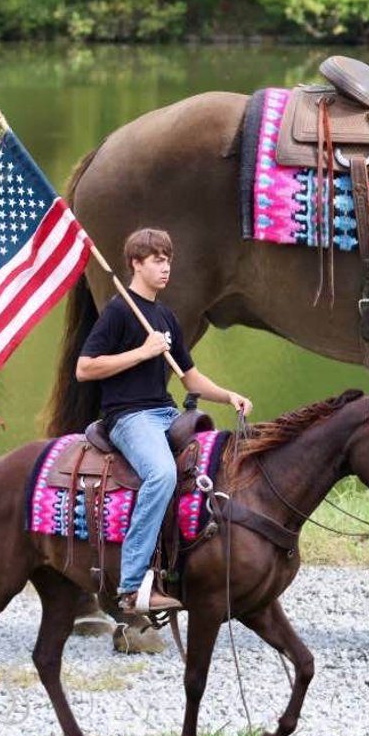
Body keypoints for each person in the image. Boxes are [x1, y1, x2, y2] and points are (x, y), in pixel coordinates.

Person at [76, 228, 251, 613]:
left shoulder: (166, 317)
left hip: (166, 412)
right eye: (157, 259)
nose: (166, 266)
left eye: (168, 258)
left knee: (216, 463)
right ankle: (132, 585)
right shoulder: (119, 311)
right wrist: (142, 351)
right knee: (162, 475)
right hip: (129, 417)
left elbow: (190, 377)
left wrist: (228, 395)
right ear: (136, 264)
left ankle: (189, 563)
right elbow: (85, 368)